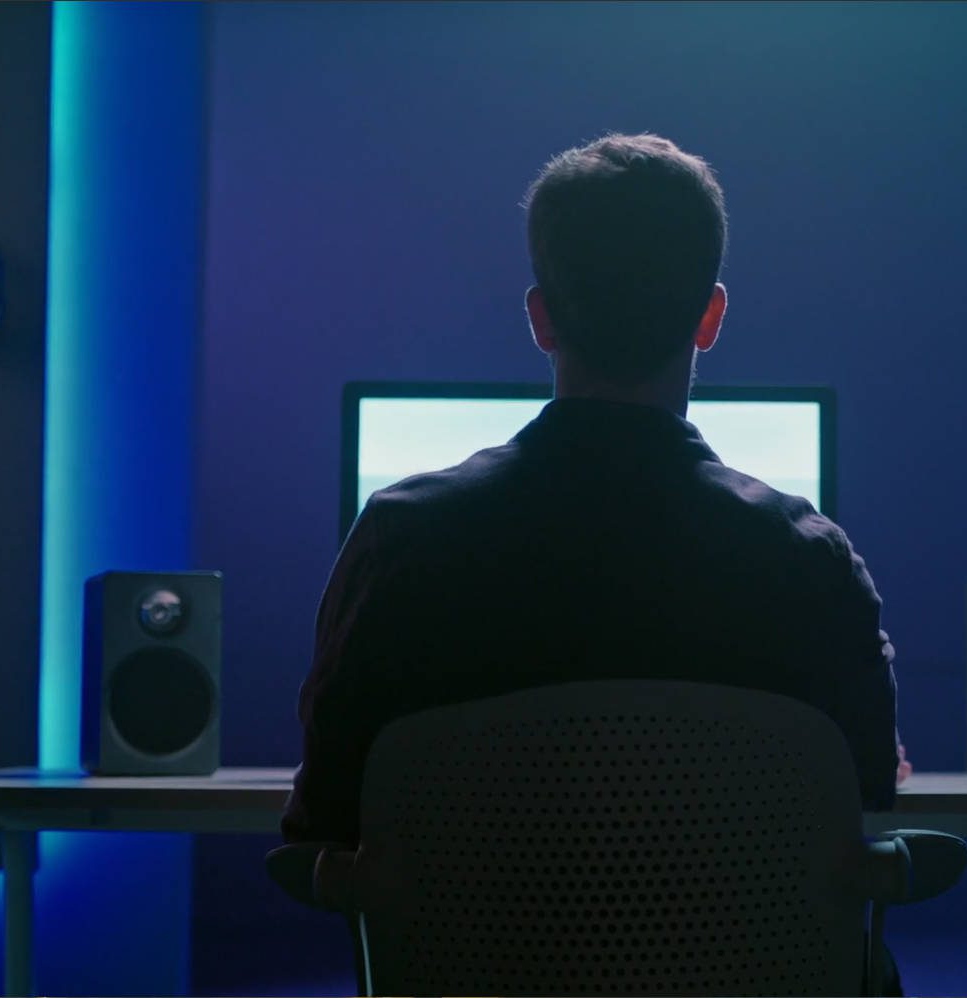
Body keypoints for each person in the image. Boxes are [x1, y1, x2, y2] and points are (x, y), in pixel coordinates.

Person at [281, 132, 911, 992]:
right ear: (711, 316)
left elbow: (325, 821)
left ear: (540, 317)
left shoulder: (401, 542)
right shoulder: (808, 562)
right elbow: (867, 794)